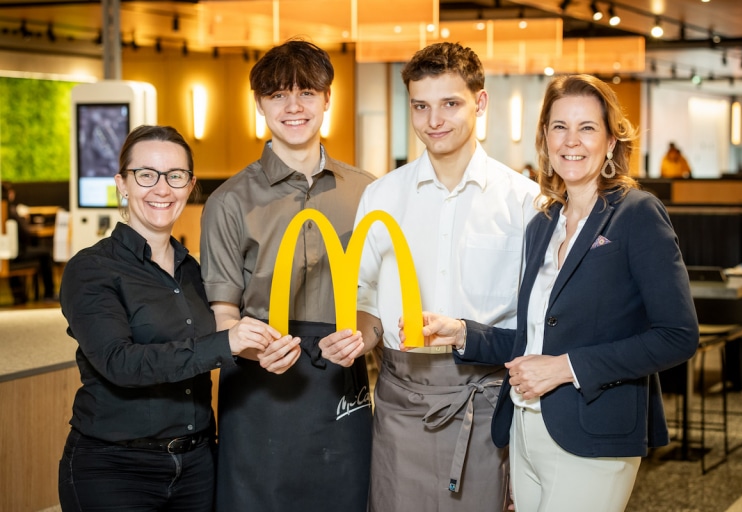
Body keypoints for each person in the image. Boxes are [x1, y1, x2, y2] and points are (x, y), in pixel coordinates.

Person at [405, 74, 700, 512]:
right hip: (525, 428)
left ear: (611, 139)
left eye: (587, 128)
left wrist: (565, 368)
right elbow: (535, 340)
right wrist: (462, 331)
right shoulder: (543, 224)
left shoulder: (636, 214)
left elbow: (678, 334)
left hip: (593, 432)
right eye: (559, 127)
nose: (571, 141)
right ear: (544, 136)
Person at [319, 42, 540, 511]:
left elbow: (540, 319)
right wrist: (359, 336)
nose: (434, 120)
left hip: (487, 398)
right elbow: (371, 301)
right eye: (421, 106)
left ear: (479, 103)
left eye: (450, 104)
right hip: (401, 396)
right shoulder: (382, 196)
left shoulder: (525, 201)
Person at [200, 39, 375, 511]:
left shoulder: (369, 191)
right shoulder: (228, 202)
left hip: (342, 383)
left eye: (307, 93)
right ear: (259, 104)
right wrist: (255, 349)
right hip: (258, 387)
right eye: (278, 95)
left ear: (327, 100)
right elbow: (223, 314)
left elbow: (380, 300)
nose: (293, 107)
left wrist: (365, 334)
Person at [58, 125, 269, 511]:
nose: (162, 188)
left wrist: (263, 349)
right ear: (122, 183)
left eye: (175, 176)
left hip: (198, 467)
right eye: (146, 174)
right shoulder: (91, 269)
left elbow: (217, 343)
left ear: (190, 186)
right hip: (115, 468)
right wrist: (227, 344)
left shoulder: (196, 272)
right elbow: (120, 363)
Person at [1, 181, 56, 303]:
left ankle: (20, 295)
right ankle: (49, 293)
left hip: (7, 255)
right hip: (16, 254)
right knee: (45, 253)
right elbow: (26, 233)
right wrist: (23, 219)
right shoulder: (11, 211)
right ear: (10, 194)